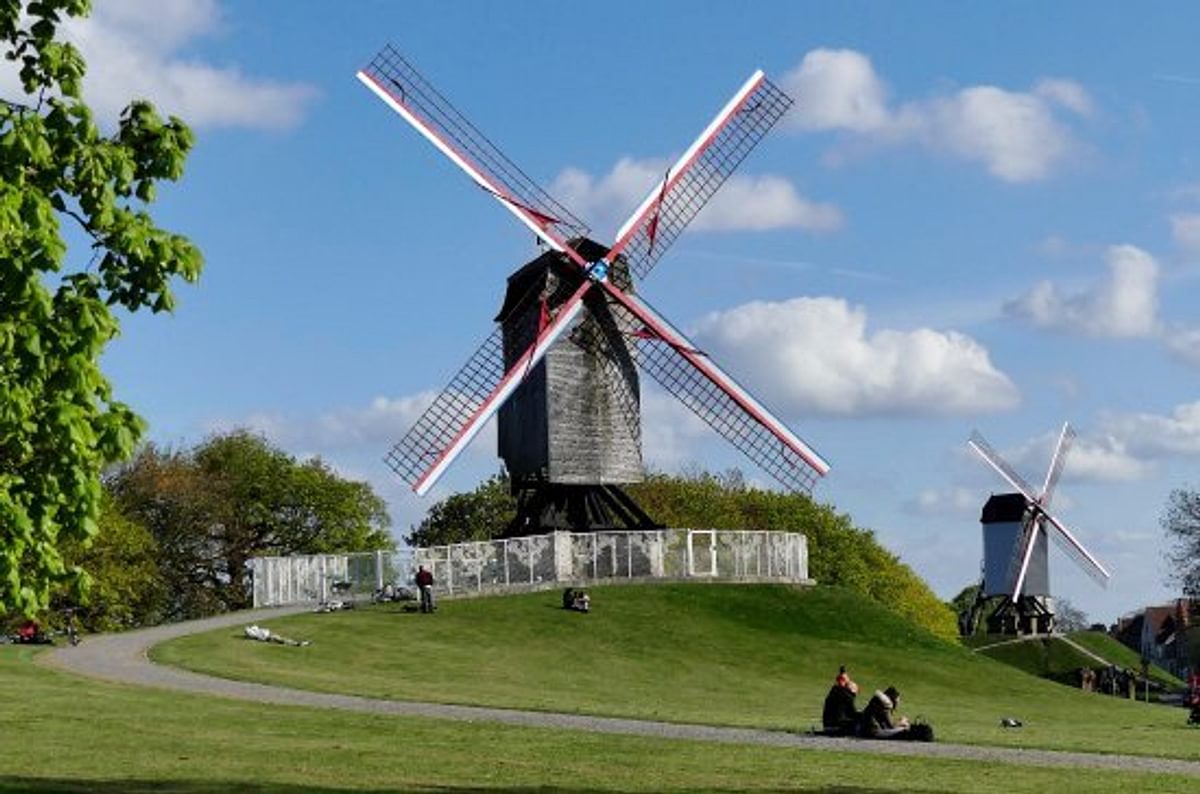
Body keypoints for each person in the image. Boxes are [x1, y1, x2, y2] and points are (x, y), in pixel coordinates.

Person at [821, 667, 860, 736]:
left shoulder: (833, 692)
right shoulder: (847, 696)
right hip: (837, 727)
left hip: (828, 725)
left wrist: (843, 679)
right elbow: (853, 713)